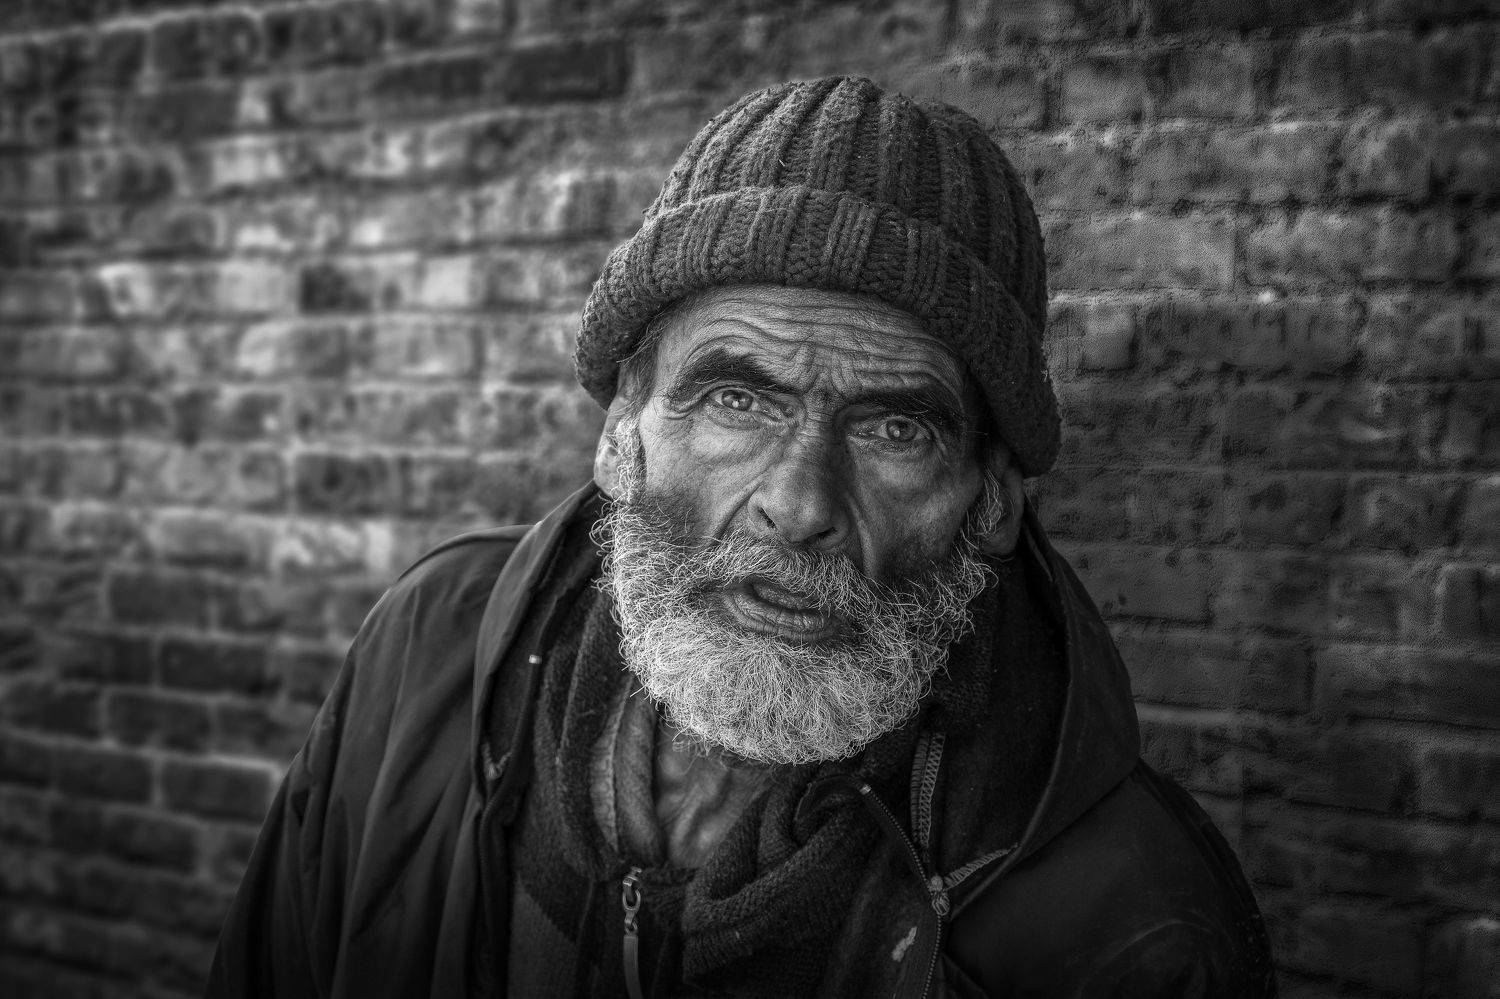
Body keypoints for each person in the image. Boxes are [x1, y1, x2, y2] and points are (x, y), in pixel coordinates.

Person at [209, 76, 1275, 998]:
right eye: (735, 402)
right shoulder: (427, 658)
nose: (799, 503)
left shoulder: (1134, 928)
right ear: (623, 431)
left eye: (895, 428)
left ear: (990, 499)